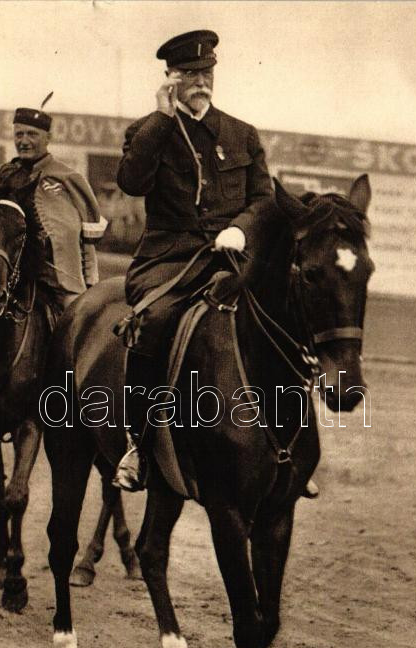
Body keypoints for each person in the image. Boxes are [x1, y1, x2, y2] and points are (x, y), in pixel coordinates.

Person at [112, 29, 318, 500]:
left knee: (287, 316)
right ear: (170, 79)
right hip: (170, 259)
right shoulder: (147, 130)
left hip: (232, 255)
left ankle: (292, 447)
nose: (200, 82)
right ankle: (137, 445)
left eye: (206, 73)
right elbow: (132, 183)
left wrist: (242, 228)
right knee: (153, 323)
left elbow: (264, 199)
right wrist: (162, 121)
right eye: (189, 74)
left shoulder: (241, 134)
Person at [0, 104, 107, 427]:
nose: (25, 140)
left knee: (79, 334)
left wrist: (90, 284)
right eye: (19, 134)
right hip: (8, 278)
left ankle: (77, 405)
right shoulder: (3, 174)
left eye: (32, 134)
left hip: (58, 282)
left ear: (48, 137)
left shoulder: (69, 179)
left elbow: (87, 239)